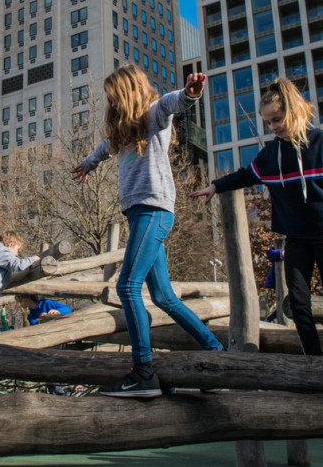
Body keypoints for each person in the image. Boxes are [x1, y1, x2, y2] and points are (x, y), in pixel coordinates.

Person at [191, 78, 323, 364]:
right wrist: (215, 185)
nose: (273, 126)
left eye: (277, 119)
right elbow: (243, 175)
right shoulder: (270, 156)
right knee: (299, 305)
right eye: (268, 122)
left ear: (294, 110)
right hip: (295, 238)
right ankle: (316, 366)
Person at [72, 65, 224, 398]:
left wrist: (190, 93)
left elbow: (174, 103)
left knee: (127, 286)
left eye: (114, 96)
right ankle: (216, 356)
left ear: (128, 92)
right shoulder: (123, 133)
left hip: (154, 211)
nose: (111, 102)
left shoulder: (155, 114)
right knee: (163, 296)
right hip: (140, 215)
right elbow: (104, 148)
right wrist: (86, 165)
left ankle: (143, 371)